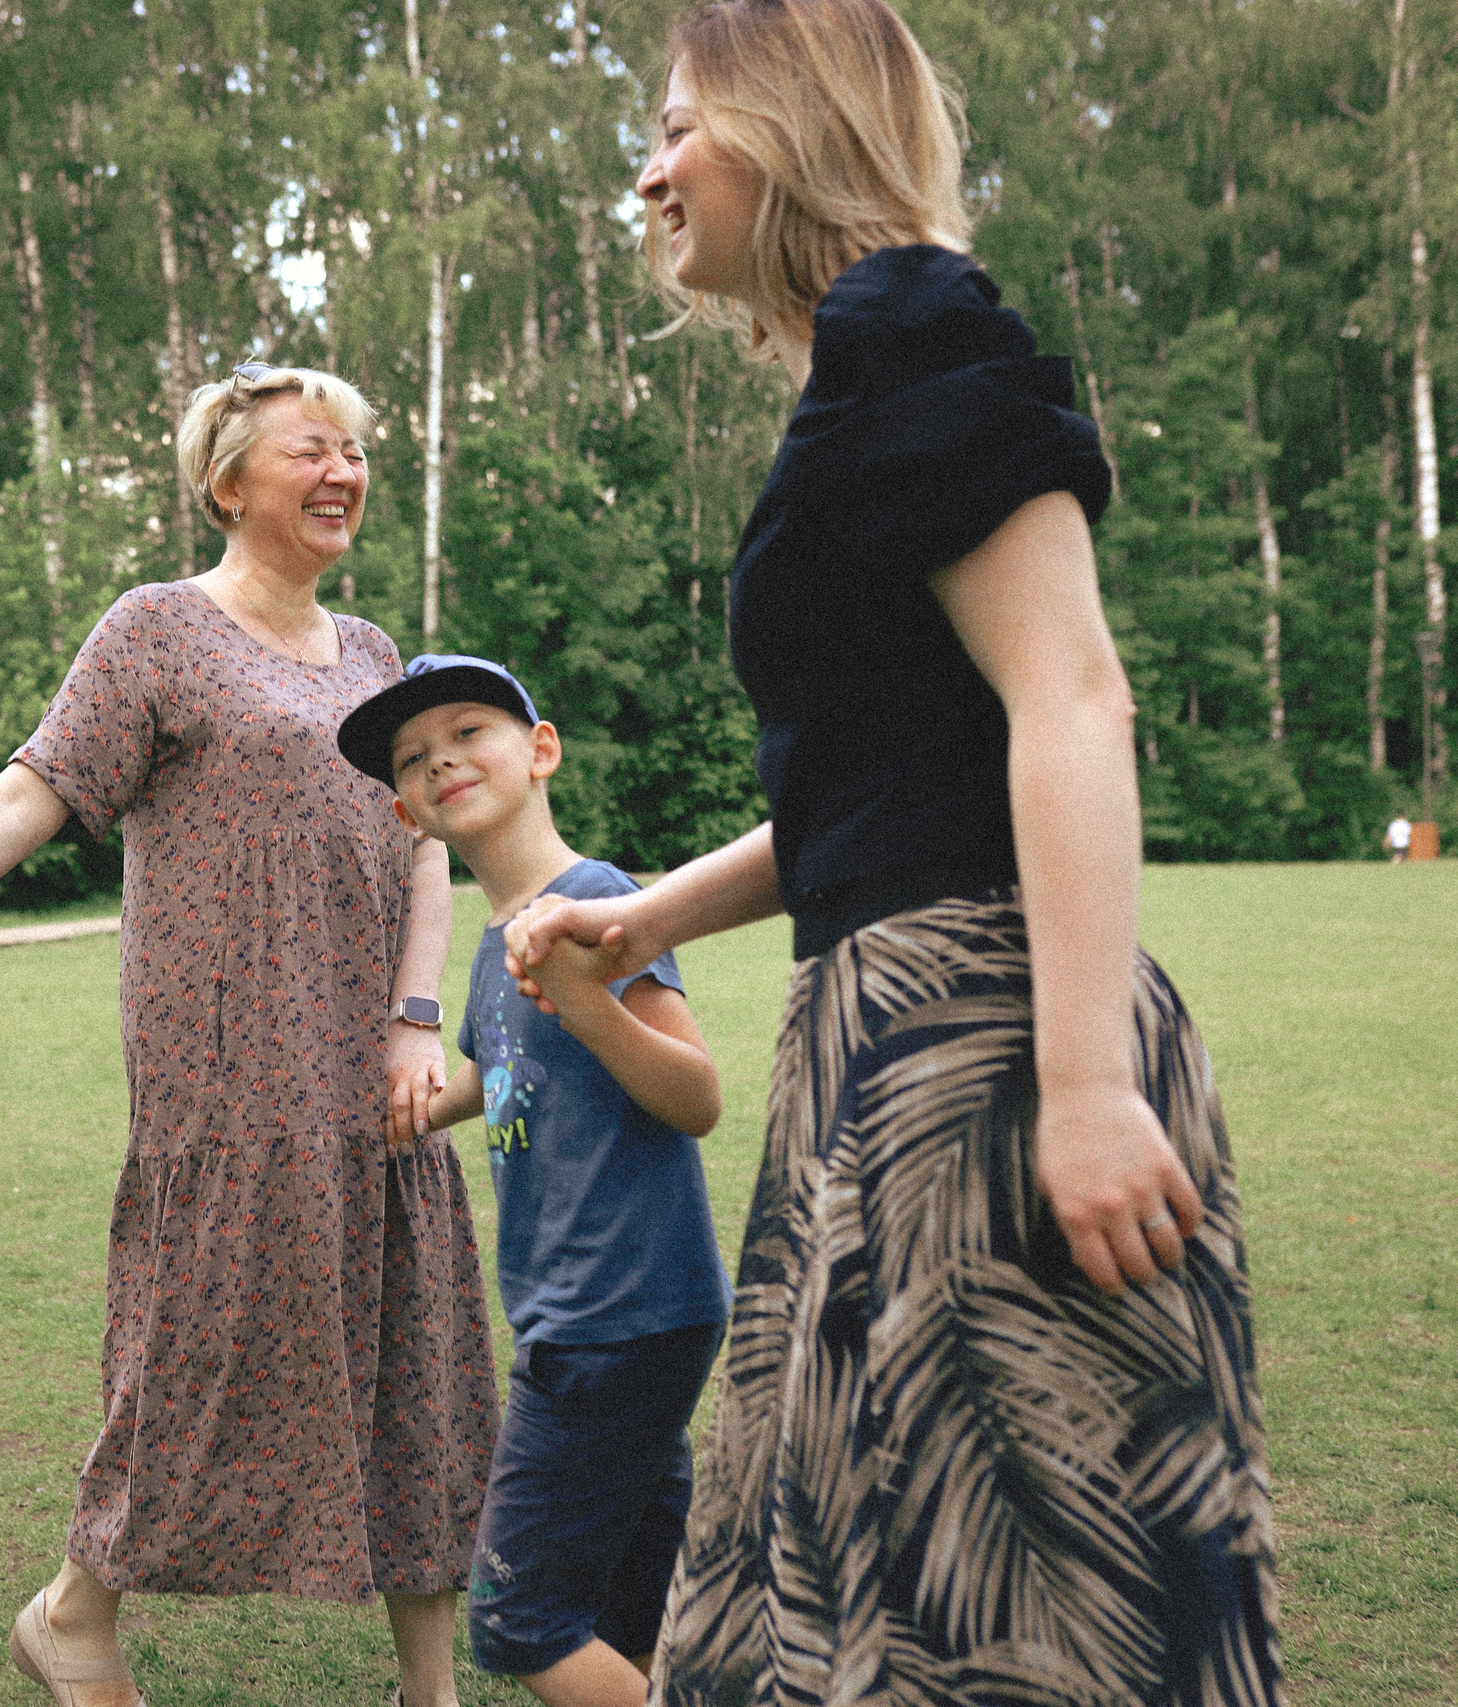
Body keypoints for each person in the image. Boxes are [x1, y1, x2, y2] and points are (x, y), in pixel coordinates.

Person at [504, 4, 1286, 1703]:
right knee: (862, 1603)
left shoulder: (916, 320)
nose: (648, 174)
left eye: (676, 122)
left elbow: (1070, 696)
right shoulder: (862, 367)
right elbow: (874, 790)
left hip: (986, 1049)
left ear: (789, 125)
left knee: (1017, 1621)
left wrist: (1082, 1084)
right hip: (878, 1046)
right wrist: (639, 914)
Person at [0, 363, 496, 1707]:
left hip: (372, 1065)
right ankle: (74, 1612)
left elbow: (425, 853)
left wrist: (416, 1020)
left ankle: (430, 1683)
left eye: (353, 451)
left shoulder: (377, 655)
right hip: (225, 1071)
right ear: (227, 482)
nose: (342, 473)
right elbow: (29, 793)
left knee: (416, 1351)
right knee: (194, 1337)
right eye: (309, 451)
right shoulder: (157, 630)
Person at [336, 656, 728, 1707]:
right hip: (591, 1313)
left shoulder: (594, 900)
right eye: (415, 758)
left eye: (468, 731)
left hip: (618, 1311)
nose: (443, 760)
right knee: (627, 1601)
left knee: (517, 1618)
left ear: (540, 749)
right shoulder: (488, 948)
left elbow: (695, 1098)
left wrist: (584, 1000)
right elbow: (498, 1072)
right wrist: (428, 1105)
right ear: (405, 809)